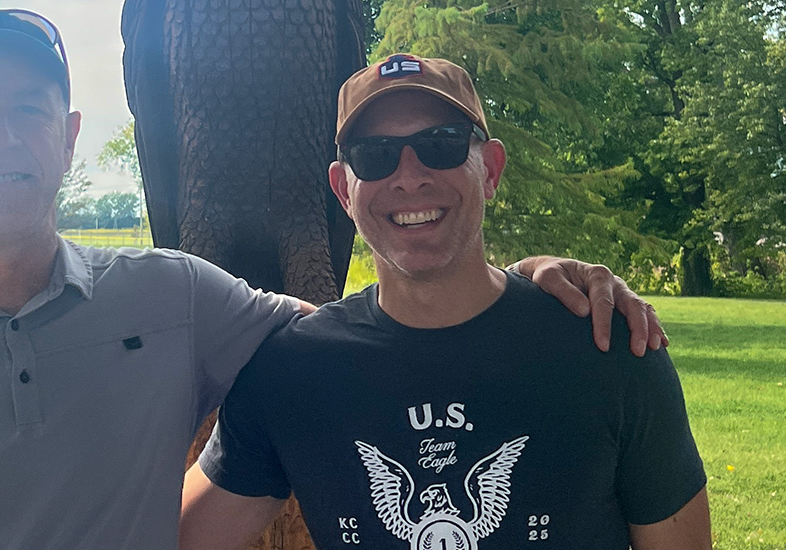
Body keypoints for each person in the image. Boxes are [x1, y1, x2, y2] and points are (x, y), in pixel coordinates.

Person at [0, 11, 666, 550]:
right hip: (210, 195)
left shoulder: (172, 297)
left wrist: (524, 285)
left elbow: (365, 328)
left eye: (27, 109)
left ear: (68, 137)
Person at [181, 54, 711, 550]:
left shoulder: (607, 347)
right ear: (344, 191)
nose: (410, 177)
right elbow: (173, 534)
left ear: (491, 169)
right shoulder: (291, 373)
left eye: (442, 144)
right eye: (375, 155)